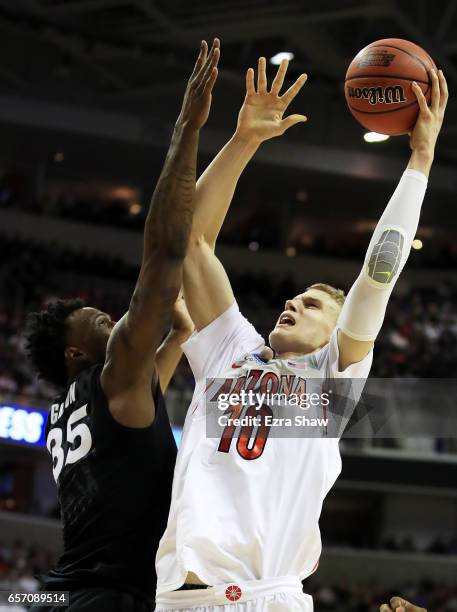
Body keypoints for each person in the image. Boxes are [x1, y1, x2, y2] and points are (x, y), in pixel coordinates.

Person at [154, 57, 448, 611]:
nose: (292, 301)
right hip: (179, 600)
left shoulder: (336, 377)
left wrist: (421, 158)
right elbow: (191, 241)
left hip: (268, 597)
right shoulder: (230, 349)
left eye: (312, 303)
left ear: (339, 330)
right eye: (295, 296)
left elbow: (379, 272)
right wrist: (244, 139)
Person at [24, 38, 220, 612]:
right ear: (75, 354)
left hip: (50, 597)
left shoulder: (80, 404)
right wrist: (187, 128)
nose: (110, 317)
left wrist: (179, 336)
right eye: (97, 321)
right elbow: (163, 255)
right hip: (105, 598)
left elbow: (145, 394)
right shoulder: (112, 379)